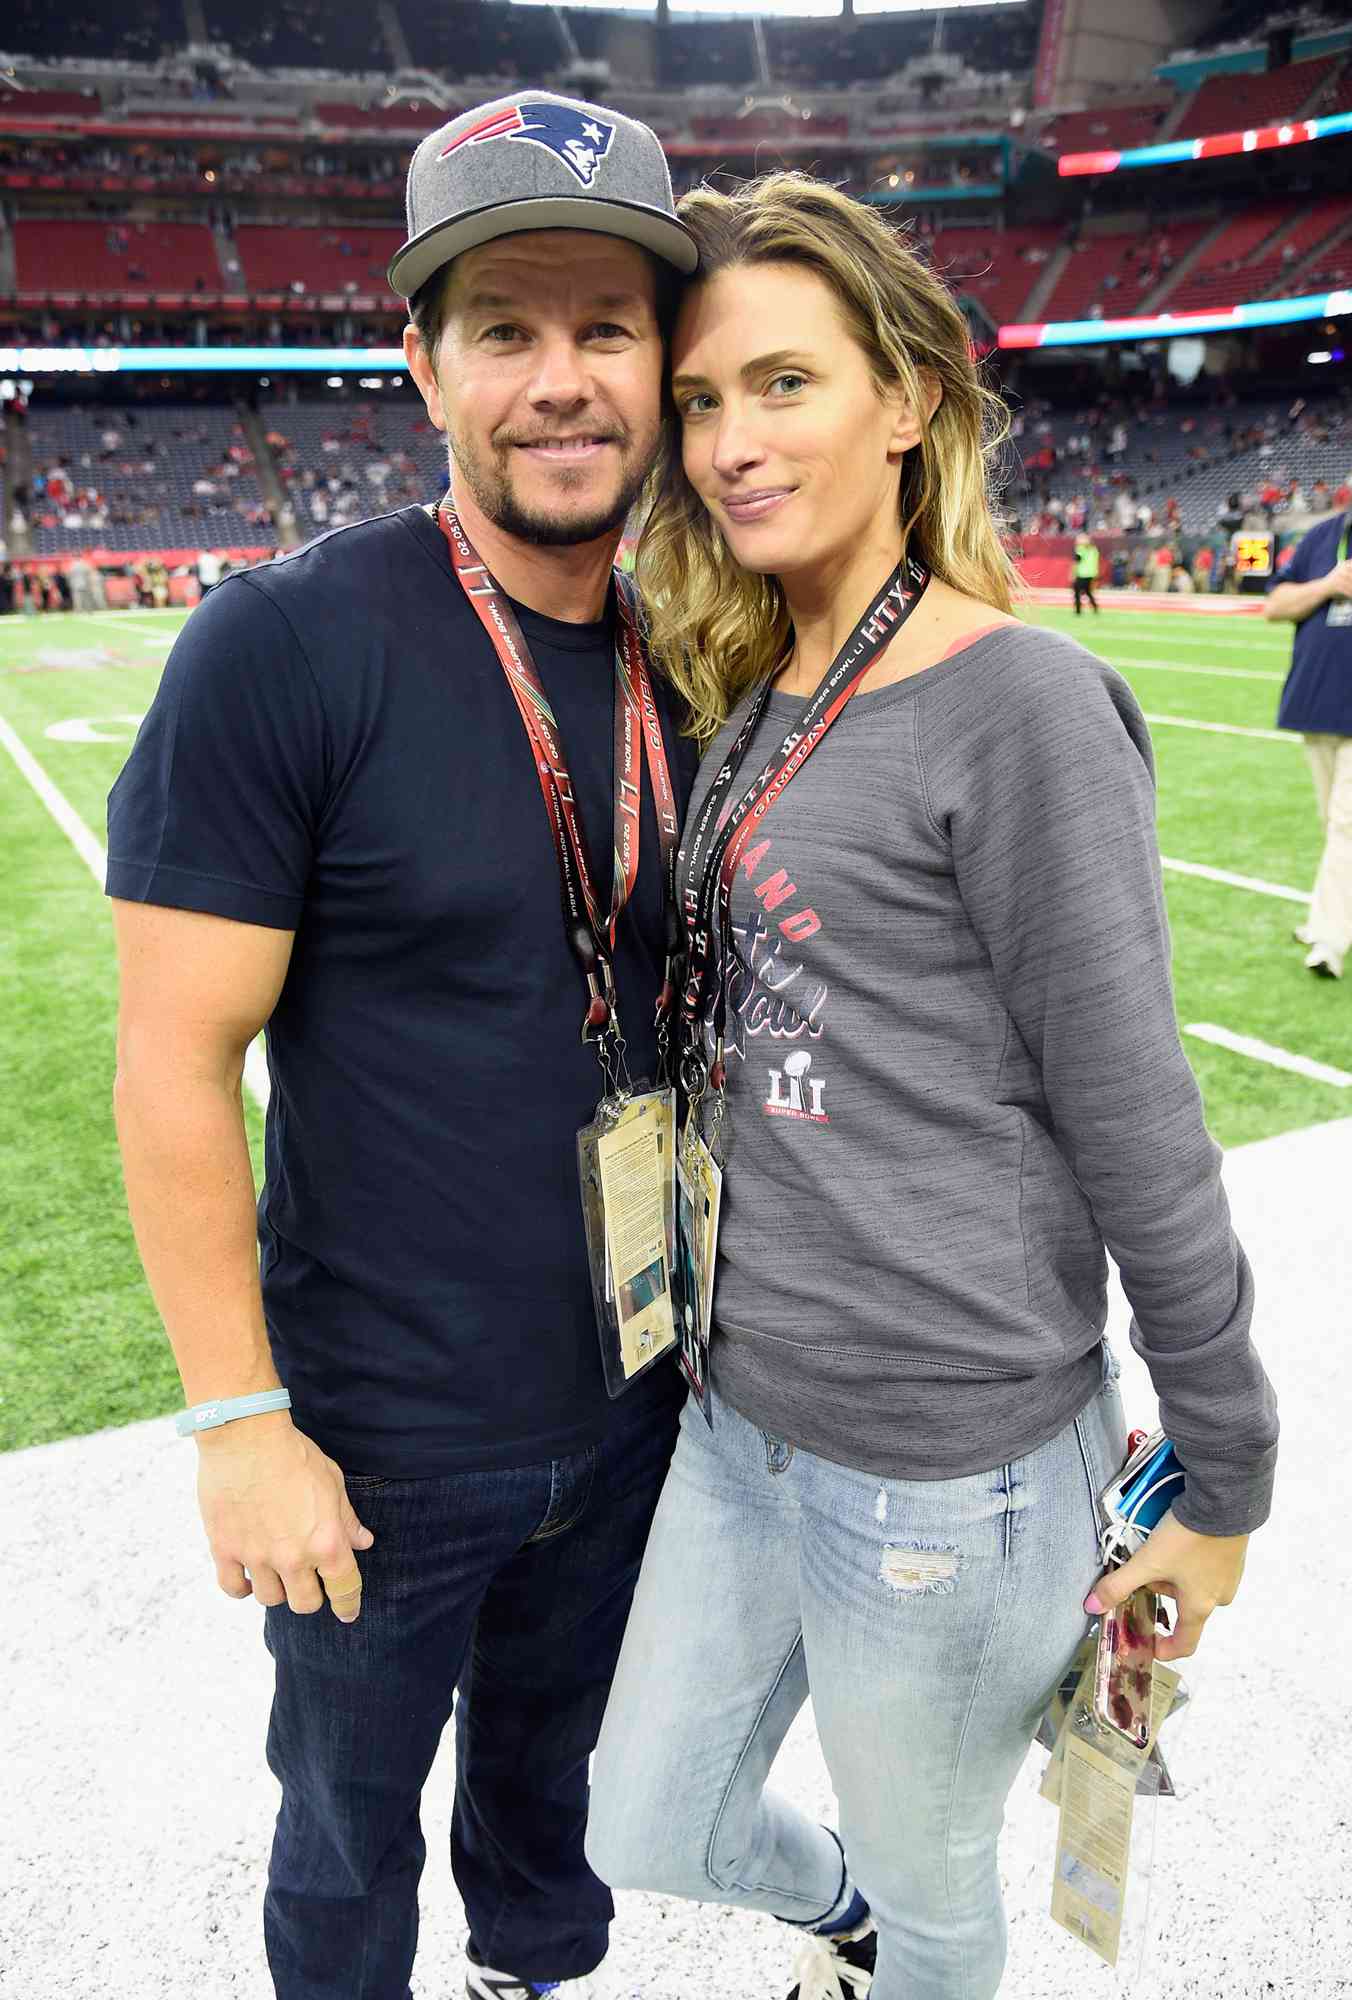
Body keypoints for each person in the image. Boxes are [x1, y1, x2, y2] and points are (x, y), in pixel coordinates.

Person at [585, 174, 1277, 2000]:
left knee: (940, 1882)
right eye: (707, 403)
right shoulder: (758, 689)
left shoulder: (1020, 702)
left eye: (784, 386)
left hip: (948, 1464)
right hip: (741, 1420)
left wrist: (1223, 1471)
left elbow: (1138, 1116)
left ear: (905, 402)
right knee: (641, 1820)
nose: (731, 443)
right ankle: (849, 1939)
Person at [106, 92, 699, 2000]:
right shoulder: (281, 643)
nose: (560, 381)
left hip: (635, 1387)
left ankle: (537, 1973)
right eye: (506, 329)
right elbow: (176, 1060)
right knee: (346, 1842)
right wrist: (239, 1427)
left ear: (662, 363)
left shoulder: (698, 652)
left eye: (605, 329)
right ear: (419, 357)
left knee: (550, 1798)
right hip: (376, 1437)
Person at [1263, 502, 1352, 979]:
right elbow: (1274, 606)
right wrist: (1329, 585)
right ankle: (1333, 914)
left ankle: (1328, 939)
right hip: (1319, 705)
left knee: (1346, 826)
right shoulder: (1322, 537)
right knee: (1332, 823)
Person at [1071, 528, 1100, 613]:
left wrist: (1073, 573)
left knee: (1077, 592)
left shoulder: (1081, 549)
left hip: (1082, 574)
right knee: (1087, 591)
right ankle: (1094, 607)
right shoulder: (1094, 550)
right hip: (1091, 573)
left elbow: (1076, 561)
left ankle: (1078, 610)